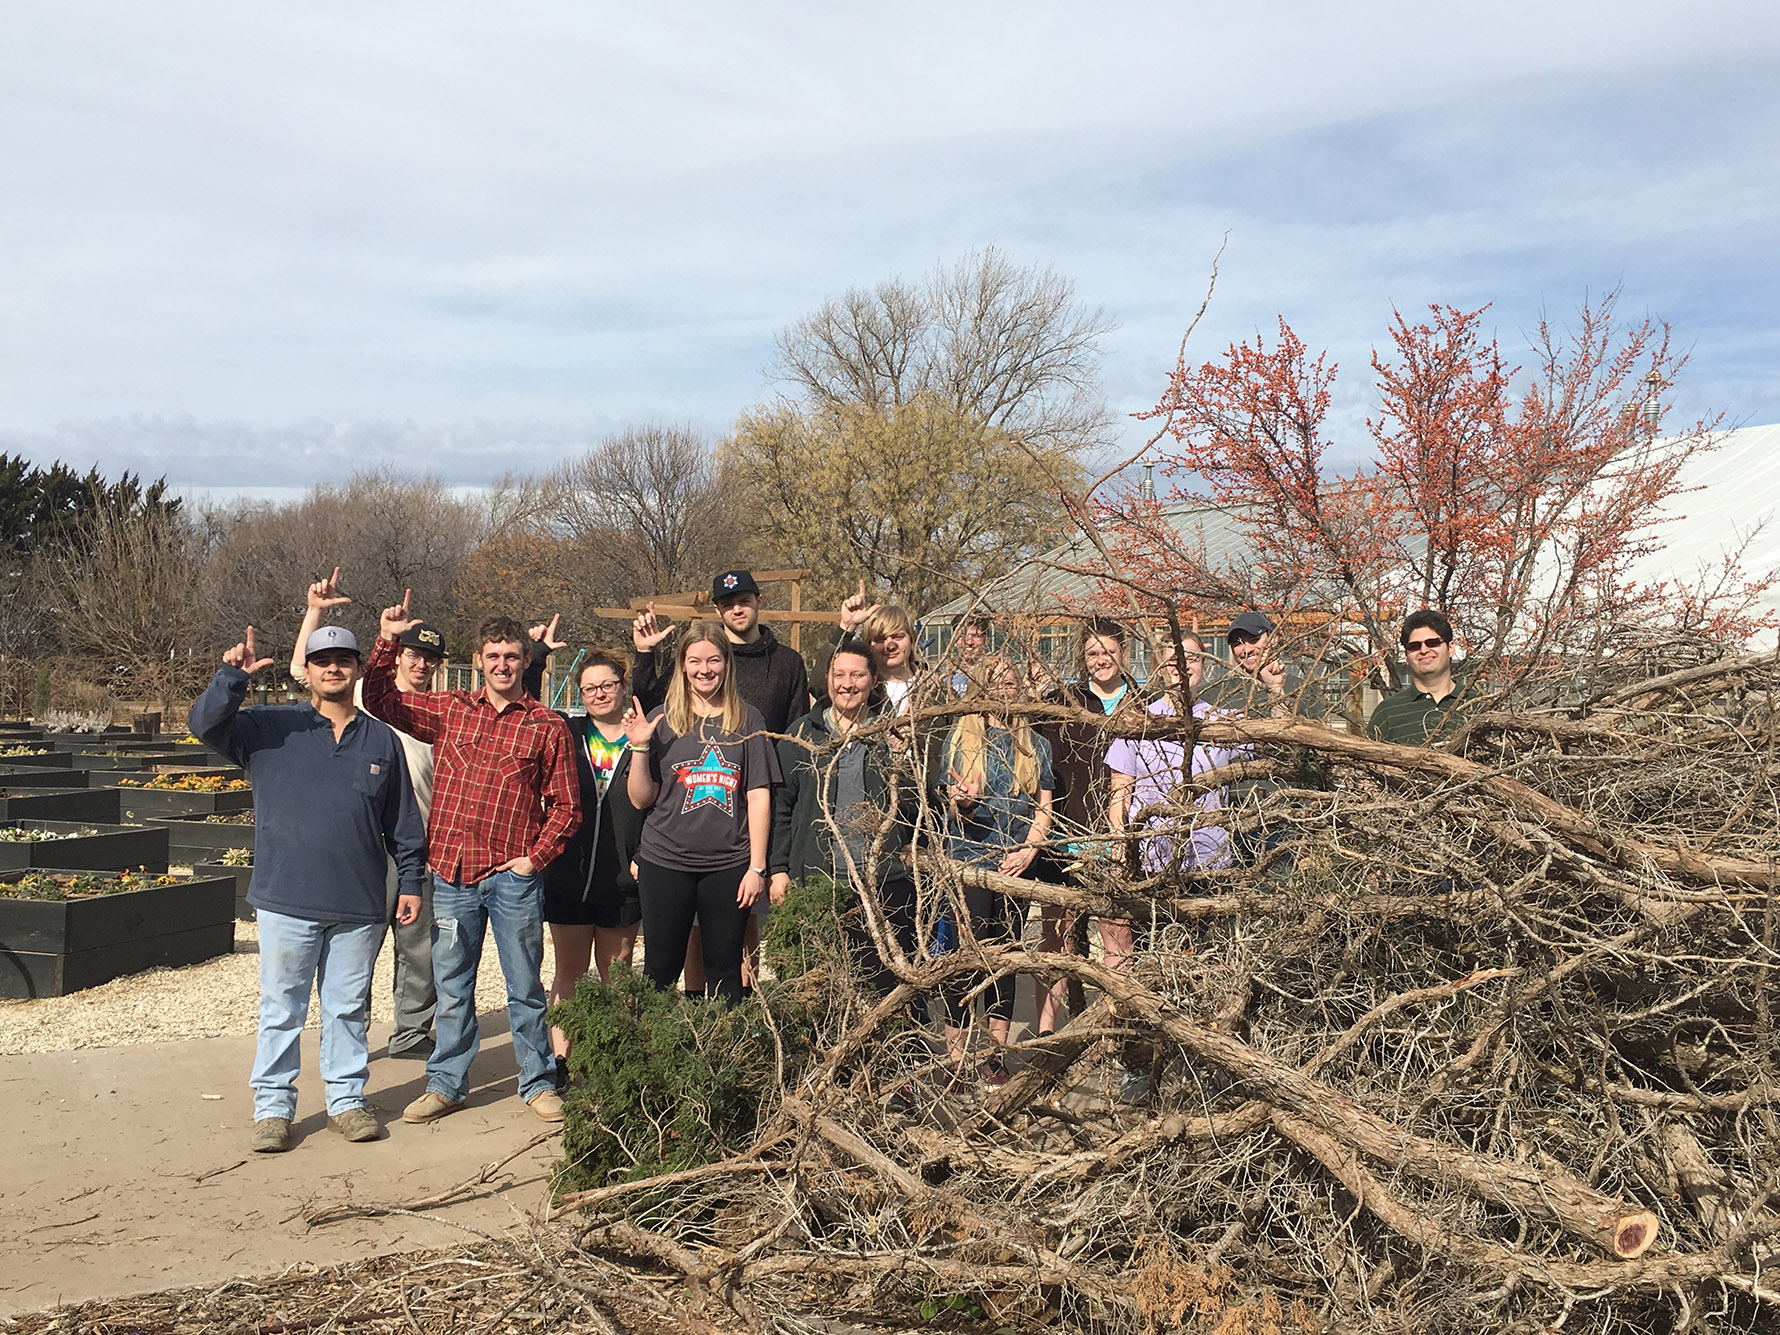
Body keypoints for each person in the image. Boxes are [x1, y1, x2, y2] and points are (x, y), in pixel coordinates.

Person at [192, 622, 427, 1153]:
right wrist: (231, 678)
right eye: (324, 660)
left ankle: (346, 1101)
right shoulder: (269, 728)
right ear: (309, 671)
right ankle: (273, 1108)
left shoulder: (381, 739)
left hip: (359, 903)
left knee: (348, 1008)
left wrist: (410, 881)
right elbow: (204, 725)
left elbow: (404, 823)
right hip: (287, 898)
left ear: (358, 669)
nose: (333, 668)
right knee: (282, 1008)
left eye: (344, 659)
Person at [364, 594, 581, 1125]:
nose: (501, 665)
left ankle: (536, 1081)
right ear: (479, 660)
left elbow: (569, 807)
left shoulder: (546, 725)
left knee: (524, 985)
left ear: (525, 660)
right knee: (452, 984)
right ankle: (446, 1083)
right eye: (492, 656)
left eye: (511, 656)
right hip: (453, 875)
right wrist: (387, 642)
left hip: (513, 881)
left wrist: (535, 859)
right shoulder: (450, 710)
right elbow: (380, 700)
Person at [288, 567, 442, 1061]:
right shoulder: (363, 695)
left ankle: (414, 1032)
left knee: (419, 946)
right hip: (366, 843)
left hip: (421, 841)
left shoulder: (444, 710)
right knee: (359, 946)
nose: (421, 664)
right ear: (399, 655)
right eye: (414, 654)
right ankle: (350, 1031)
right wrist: (315, 611)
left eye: (430, 658)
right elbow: (301, 668)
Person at [1103, 632, 1247, 1102]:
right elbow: (1119, 792)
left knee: (1205, 966)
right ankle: (1139, 1069)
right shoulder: (1137, 722)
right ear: (1159, 665)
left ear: (1204, 666)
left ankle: (1202, 1064)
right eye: (1171, 659)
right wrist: (1122, 847)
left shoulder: (1220, 724)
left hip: (1209, 865)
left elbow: (1273, 748)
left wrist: (1272, 686)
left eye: (1190, 660)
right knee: (1144, 972)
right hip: (1150, 864)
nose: (1180, 668)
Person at [623, 621, 782, 1006]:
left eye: (713, 660)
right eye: (694, 660)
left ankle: (722, 1058)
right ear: (681, 665)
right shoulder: (662, 719)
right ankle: (654, 1058)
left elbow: (759, 795)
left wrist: (757, 867)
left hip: (728, 864)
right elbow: (640, 799)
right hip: (665, 861)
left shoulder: (748, 720)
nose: (704, 669)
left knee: (726, 970)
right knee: (659, 970)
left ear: (727, 664)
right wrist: (641, 748)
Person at [521, 623, 646, 1088]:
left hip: (622, 875)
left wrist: (644, 854)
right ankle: (562, 1059)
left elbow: (656, 800)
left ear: (622, 687)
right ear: (580, 691)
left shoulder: (642, 735)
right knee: (569, 970)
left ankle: (614, 1056)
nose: (599, 694)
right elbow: (527, 707)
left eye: (608, 685)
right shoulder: (565, 731)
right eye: (590, 687)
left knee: (618, 971)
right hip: (569, 872)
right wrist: (535, 657)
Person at [770, 642, 920, 997]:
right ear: (828, 679)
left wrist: (901, 761)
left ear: (873, 681)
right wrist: (777, 869)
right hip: (817, 880)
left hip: (881, 881)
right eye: (839, 675)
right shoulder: (801, 736)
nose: (847, 684)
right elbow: (781, 808)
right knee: (815, 987)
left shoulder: (891, 733)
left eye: (857, 675)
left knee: (883, 985)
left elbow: (914, 811)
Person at [939, 655, 1055, 1087]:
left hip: (1014, 864)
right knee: (966, 958)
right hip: (968, 862)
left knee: (1004, 960)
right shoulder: (962, 736)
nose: (1004, 687)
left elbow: (1044, 805)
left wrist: (1030, 849)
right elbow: (948, 797)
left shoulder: (1034, 744)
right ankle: (954, 1057)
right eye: (994, 681)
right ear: (980, 687)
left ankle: (993, 1056)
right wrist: (961, 800)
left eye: (1010, 680)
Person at [1032, 617, 1138, 1036]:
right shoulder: (1064, 702)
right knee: (1057, 934)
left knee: (1116, 933)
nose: (1101, 660)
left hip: (1118, 840)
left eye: (1108, 652)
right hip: (1065, 832)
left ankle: (1117, 1029)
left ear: (1123, 653)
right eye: (1093, 653)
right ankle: (1046, 1032)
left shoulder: (1142, 704)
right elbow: (1034, 754)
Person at [1198, 610, 1332, 866]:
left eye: (1253, 639)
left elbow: (1293, 751)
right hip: (1231, 813)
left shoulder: (1302, 689)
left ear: (1274, 639)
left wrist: (1276, 690)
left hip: (1284, 813)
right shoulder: (1218, 694)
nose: (1245, 648)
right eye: (1237, 643)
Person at [630, 570, 810, 732]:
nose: (737, 610)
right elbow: (649, 709)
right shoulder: (701, 659)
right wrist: (644, 652)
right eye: (728, 605)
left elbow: (798, 731)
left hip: (764, 765)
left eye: (744, 601)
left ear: (759, 601)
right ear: (717, 610)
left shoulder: (787, 662)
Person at [1366, 610, 1475, 747]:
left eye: (1433, 643)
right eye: (1414, 646)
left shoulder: (1479, 703)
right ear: (1407, 655)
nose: (1423, 650)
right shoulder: (1387, 713)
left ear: (1451, 648)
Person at [950, 616, 992, 697]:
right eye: (962, 635)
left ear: (986, 641)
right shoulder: (945, 675)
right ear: (954, 641)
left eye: (976, 636)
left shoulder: (995, 674)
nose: (969, 642)